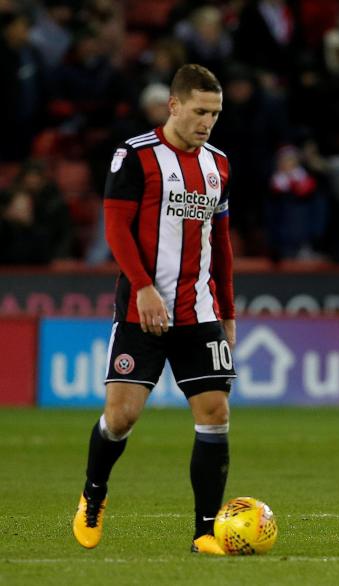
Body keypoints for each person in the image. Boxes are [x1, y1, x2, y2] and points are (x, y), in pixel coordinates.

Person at [72, 64, 237, 554]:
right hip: (141, 313)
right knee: (121, 417)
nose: (208, 121)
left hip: (200, 312)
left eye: (216, 113)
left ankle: (205, 532)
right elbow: (116, 229)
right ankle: (93, 495)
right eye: (200, 111)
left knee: (215, 413)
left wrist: (227, 313)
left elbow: (222, 246)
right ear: (174, 106)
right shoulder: (136, 156)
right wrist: (143, 286)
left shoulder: (220, 165)